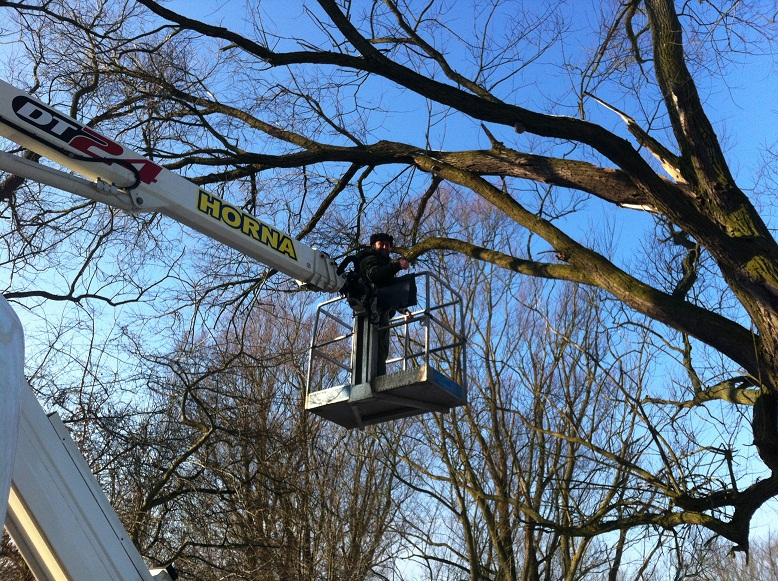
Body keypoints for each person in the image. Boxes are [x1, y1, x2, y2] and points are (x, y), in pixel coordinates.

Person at [357, 232, 411, 376]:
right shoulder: (369, 258)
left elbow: (389, 289)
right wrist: (397, 265)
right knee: (372, 351)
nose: (385, 247)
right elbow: (374, 275)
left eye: (387, 245)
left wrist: (403, 309)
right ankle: (374, 379)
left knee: (382, 350)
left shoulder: (386, 264)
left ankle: (379, 377)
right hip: (370, 311)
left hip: (382, 312)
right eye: (381, 244)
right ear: (373, 246)